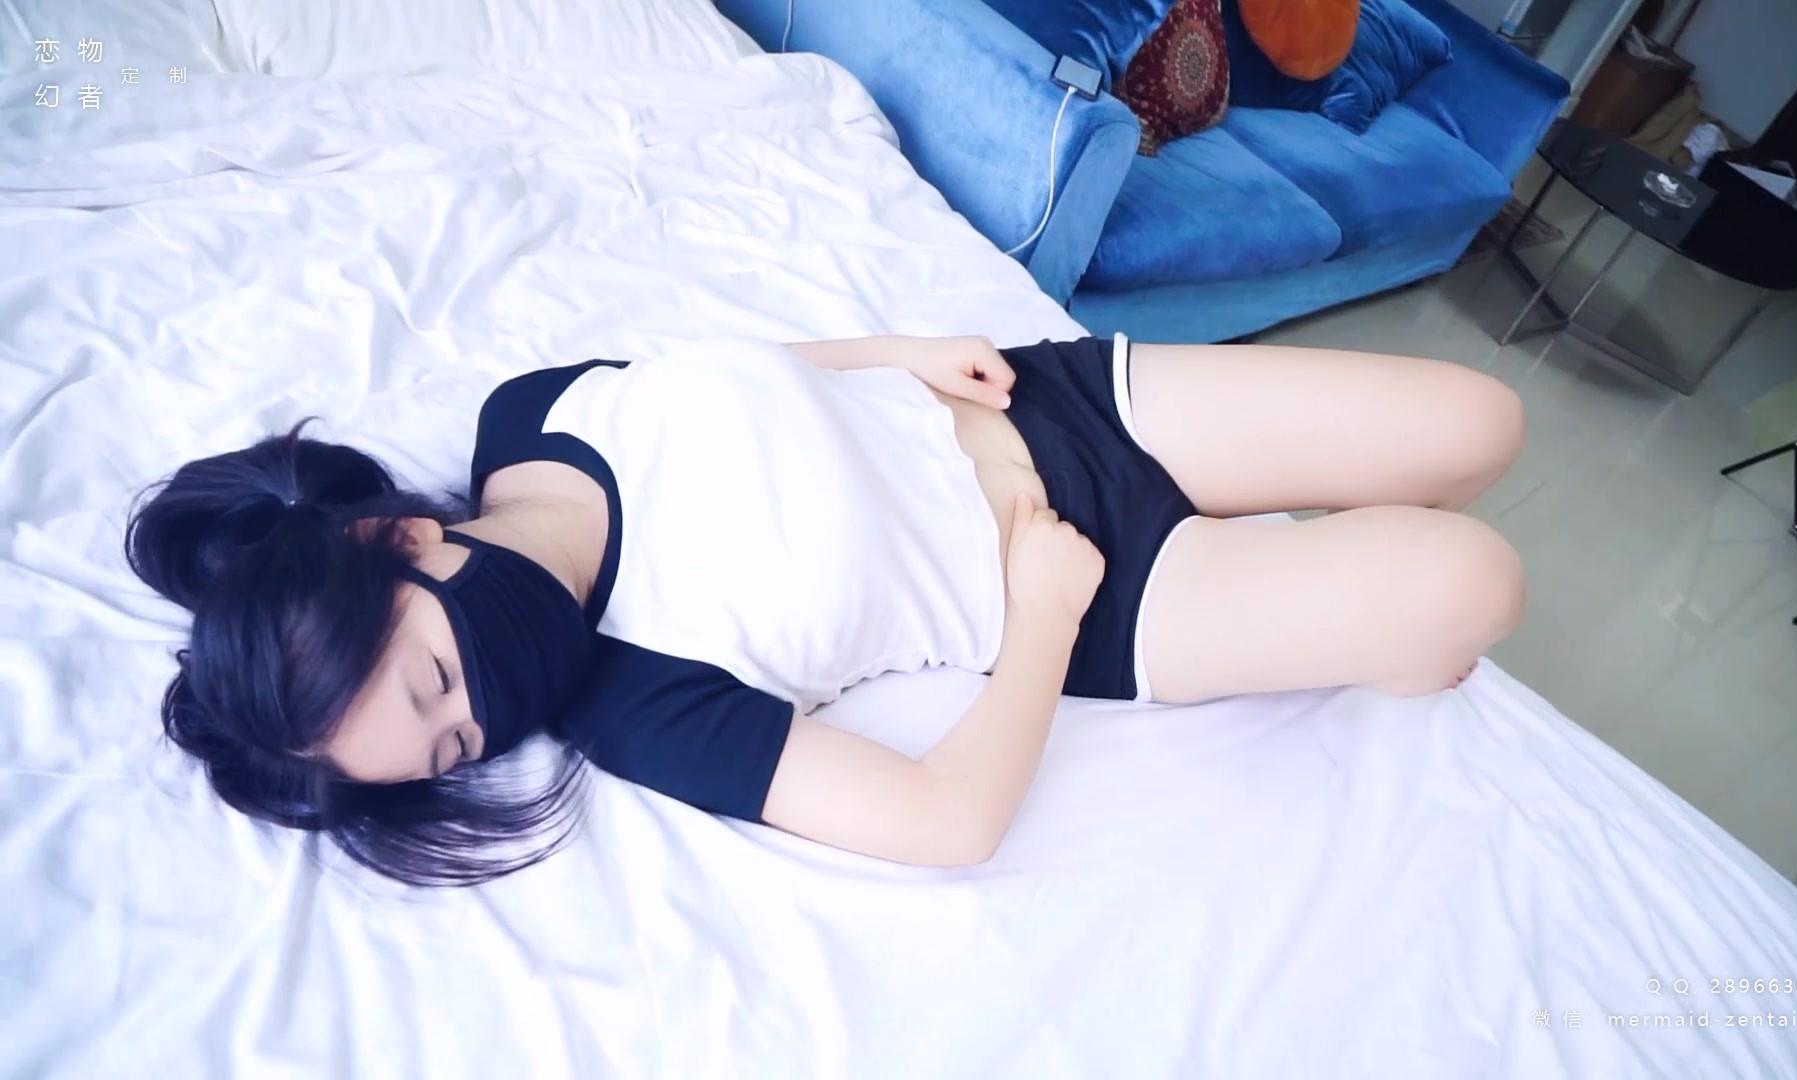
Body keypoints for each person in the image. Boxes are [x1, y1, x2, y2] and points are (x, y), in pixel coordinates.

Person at [126, 335, 1526, 886]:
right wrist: (1046, 614)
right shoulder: (638, 708)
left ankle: (1353, 582)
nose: (487, 715)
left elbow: (730, 374)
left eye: (437, 679)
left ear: (400, 542)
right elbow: (948, 822)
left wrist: (896, 353)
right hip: (1090, 591)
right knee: (1474, 585)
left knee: (1483, 425)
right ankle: (1378, 627)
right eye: (454, 748)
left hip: (1051, 402)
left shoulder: (530, 412)